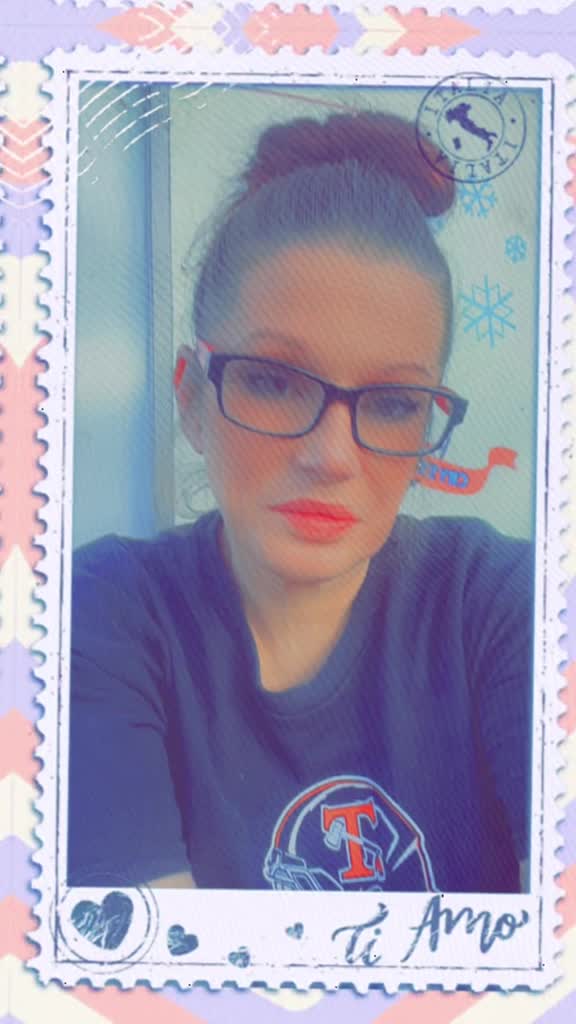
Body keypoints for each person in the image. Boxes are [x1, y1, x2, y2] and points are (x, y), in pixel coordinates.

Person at [68, 109, 533, 894]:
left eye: (393, 402)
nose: (332, 457)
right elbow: (152, 965)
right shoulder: (103, 614)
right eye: (275, 382)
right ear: (192, 399)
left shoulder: (504, 604)